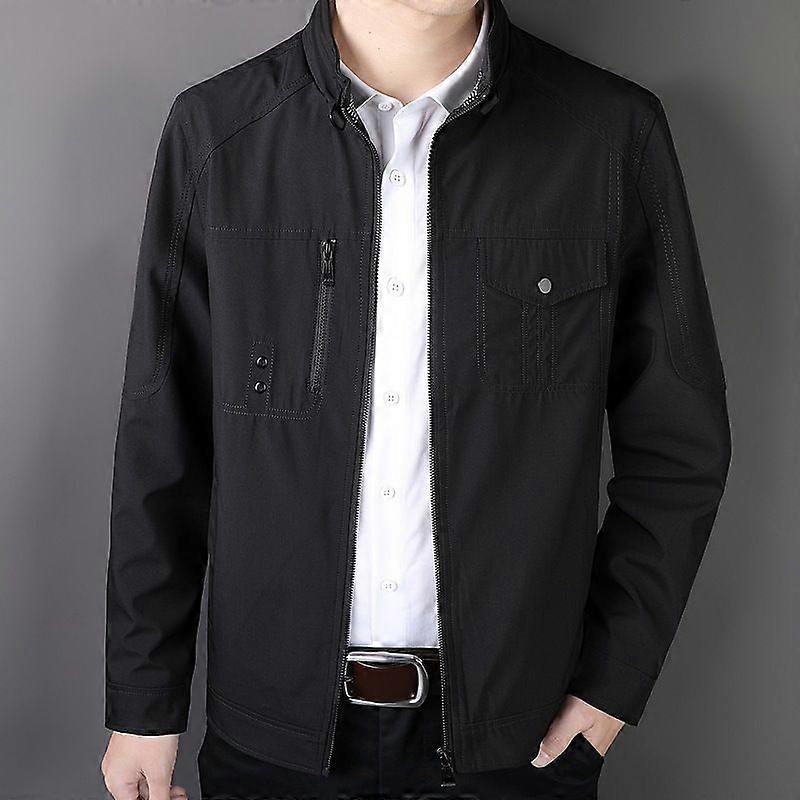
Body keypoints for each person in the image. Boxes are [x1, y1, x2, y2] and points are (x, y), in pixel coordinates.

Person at [100, 0, 731, 797]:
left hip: (517, 742)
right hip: (273, 738)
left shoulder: (610, 136)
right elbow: (162, 441)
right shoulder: (217, 133)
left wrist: (613, 682)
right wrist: (144, 703)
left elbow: (679, 446)